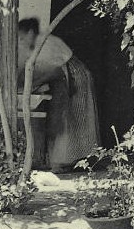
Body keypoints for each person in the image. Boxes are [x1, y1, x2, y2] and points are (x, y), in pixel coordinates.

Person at [18, 17, 101, 172]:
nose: (21, 41)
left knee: (72, 117)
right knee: (64, 117)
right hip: (63, 76)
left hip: (75, 75)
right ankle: (65, 161)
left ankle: (73, 161)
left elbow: (52, 70)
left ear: (30, 32)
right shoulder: (35, 44)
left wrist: (31, 85)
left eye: (22, 37)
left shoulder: (45, 43)